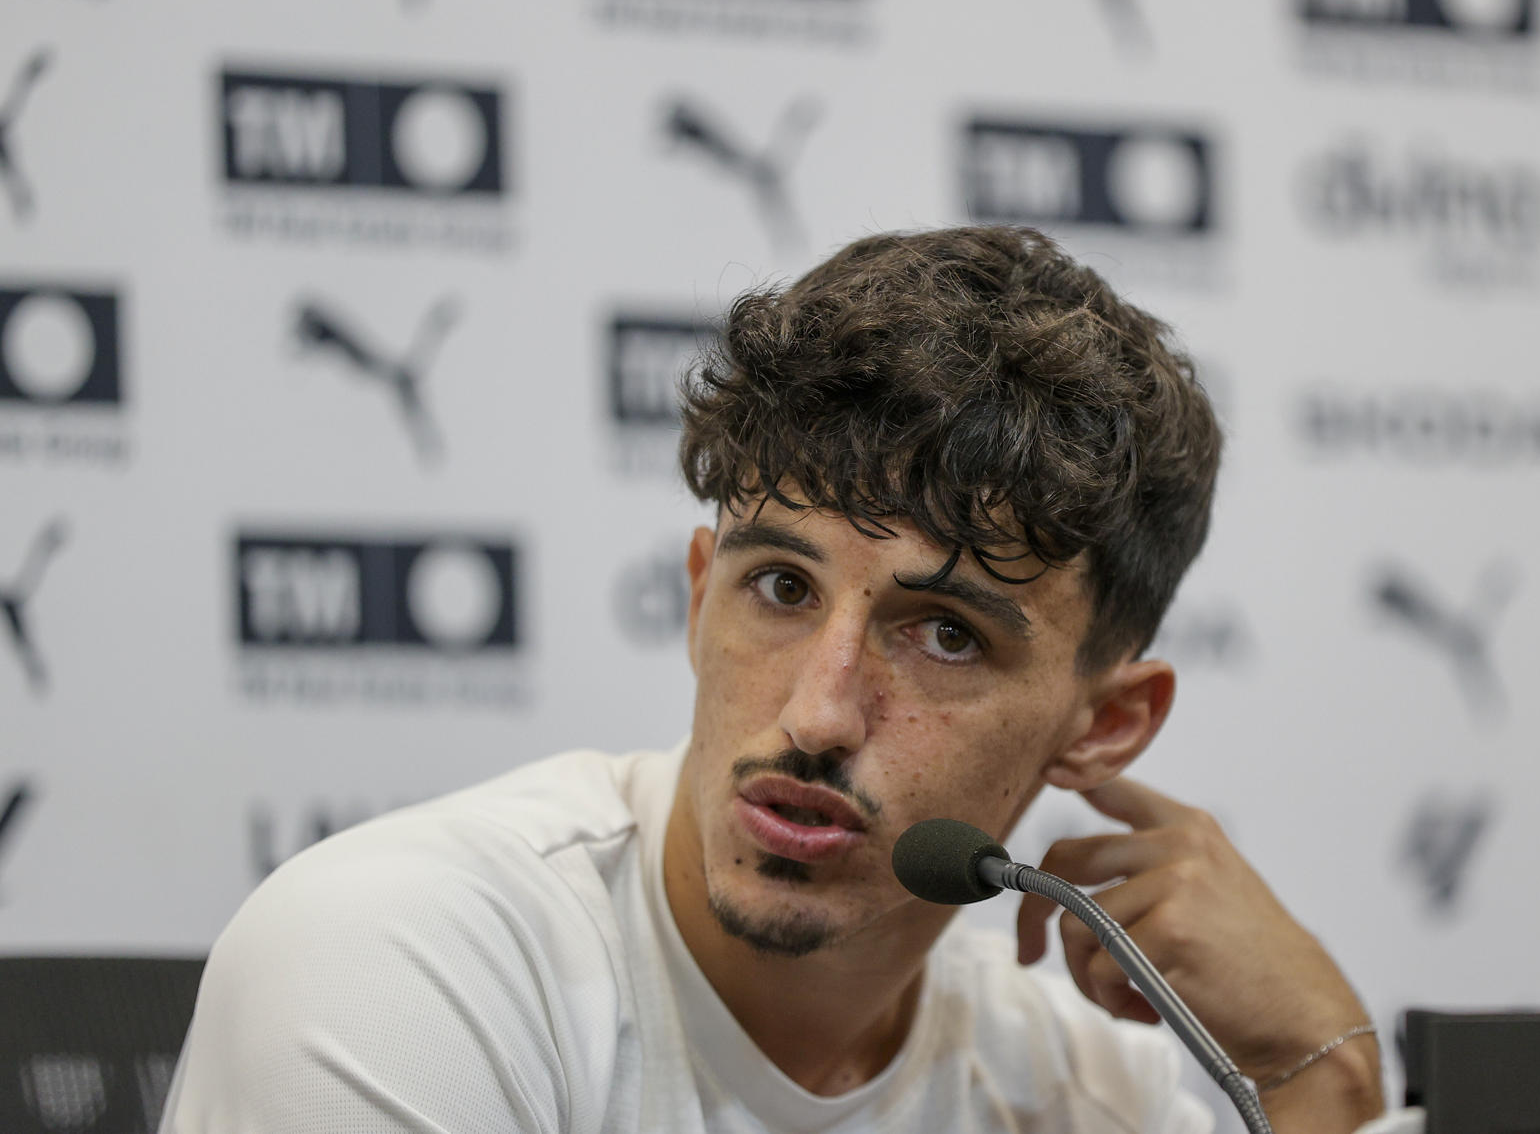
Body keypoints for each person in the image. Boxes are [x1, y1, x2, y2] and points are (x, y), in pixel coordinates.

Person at [162, 226, 1391, 1133]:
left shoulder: (1074, 1077)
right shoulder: (397, 963)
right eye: (783, 589)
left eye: (946, 634)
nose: (816, 713)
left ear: (1105, 723)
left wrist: (1318, 1080)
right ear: (700, 594)